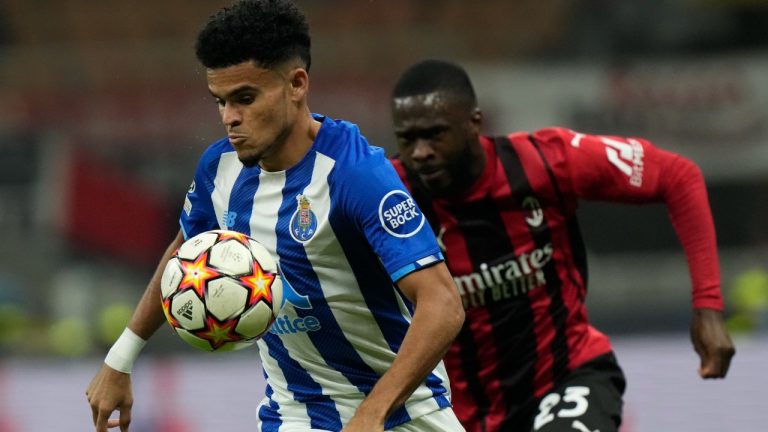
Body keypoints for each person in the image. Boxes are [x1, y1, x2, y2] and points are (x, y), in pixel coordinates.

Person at [85, 3, 466, 431]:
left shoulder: (354, 175)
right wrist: (121, 358)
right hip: (292, 416)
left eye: (245, 98)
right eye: (221, 101)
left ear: (296, 84)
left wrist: (371, 414)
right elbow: (184, 255)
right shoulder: (220, 169)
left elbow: (443, 305)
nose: (230, 117)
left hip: (404, 419)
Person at [389, 59, 736, 432]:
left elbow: (678, 177)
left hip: (566, 378)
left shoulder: (544, 161)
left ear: (475, 123)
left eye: (435, 134)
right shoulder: (388, 197)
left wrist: (708, 308)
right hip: (457, 414)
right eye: (408, 139)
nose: (421, 152)